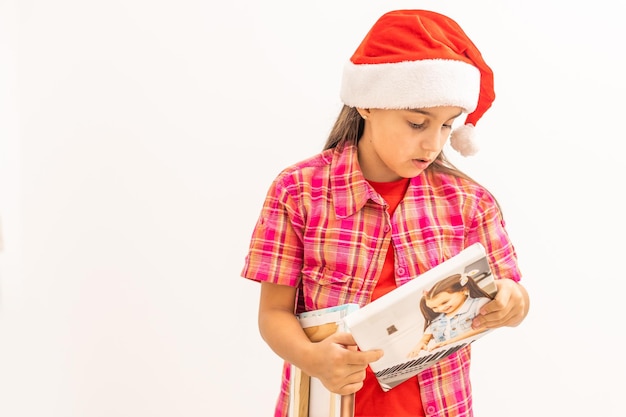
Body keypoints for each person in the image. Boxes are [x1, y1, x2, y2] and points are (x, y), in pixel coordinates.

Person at [240, 9, 530, 417]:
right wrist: (312, 358)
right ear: (368, 105)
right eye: (417, 123)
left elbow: (512, 293)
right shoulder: (298, 191)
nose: (433, 144)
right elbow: (273, 314)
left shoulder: (469, 202)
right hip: (328, 406)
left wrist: (512, 302)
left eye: (448, 126)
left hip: (440, 406)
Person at [407, 273, 494, 358]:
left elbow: (486, 326)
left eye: (444, 302)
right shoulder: (437, 321)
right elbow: (425, 339)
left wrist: (450, 342)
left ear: (464, 290)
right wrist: (420, 345)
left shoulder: (479, 304)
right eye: (434, 307)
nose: (440, 309)